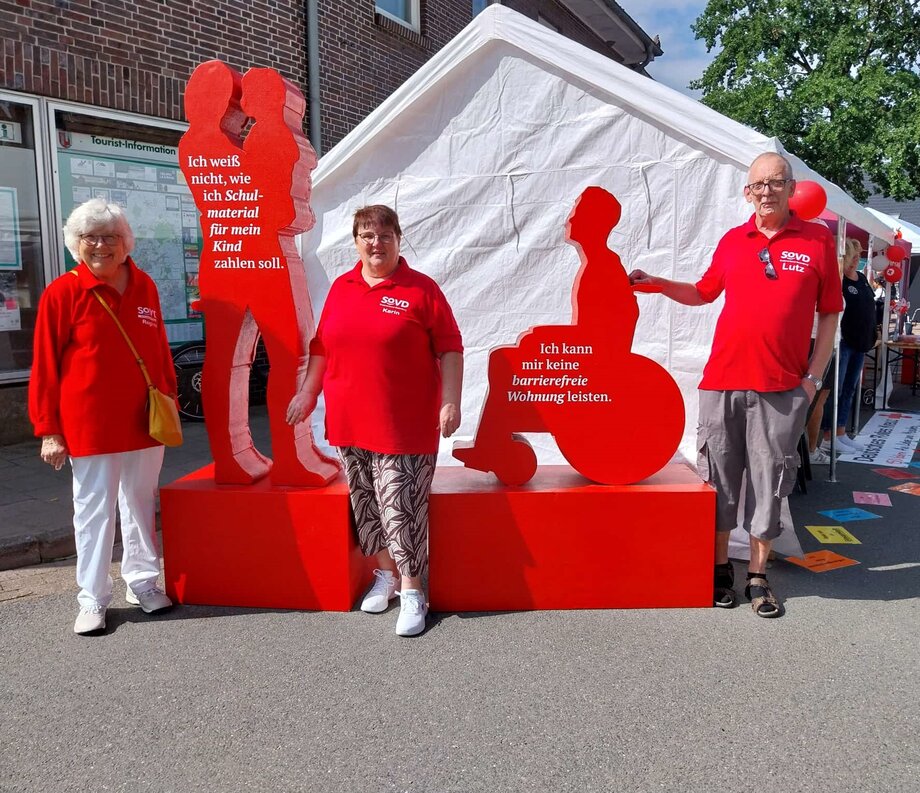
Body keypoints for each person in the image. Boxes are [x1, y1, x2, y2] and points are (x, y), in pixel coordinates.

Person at [629, 153, 842, 618]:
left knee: (770, 485)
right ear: (747, 192)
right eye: (758, 184)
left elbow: (829, 313)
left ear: (791, 189)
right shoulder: (733, 240)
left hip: (783, 388)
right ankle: (720, 566)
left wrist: (812, 378)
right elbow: (704, 292)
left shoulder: (818, 240)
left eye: (776, 182)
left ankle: (759, 577)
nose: (767, 191)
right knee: (720, 480)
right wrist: (658, 284)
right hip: (722, 382)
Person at [286, 205, 463, 636]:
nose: (376, 243)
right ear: (356, 241)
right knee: (366, 507)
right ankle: (384, 574)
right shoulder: (343, 288)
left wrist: (451, 401)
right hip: (349, 422)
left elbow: (451, 348)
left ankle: (413, 590)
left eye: (385, 235)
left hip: (405, 425)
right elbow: (322, 348)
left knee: (400, 508)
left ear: (399, 239)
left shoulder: (421, 290)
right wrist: (308, 392)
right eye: (367, 235)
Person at [29, 199, 177, 635]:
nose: (101, 245)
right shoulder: (62, 292)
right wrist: (49, 430)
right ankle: (92, 597)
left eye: (110, 237)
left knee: (140, 504)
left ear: (124, 243)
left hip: (143, 420)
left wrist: (167, 395)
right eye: (91, 237)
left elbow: (159, 346)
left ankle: (143, 582)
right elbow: (45, 365)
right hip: (88, 424)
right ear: (77, 244)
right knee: (93, 512)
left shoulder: (145, 285)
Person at [819, 238, 877, 454]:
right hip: (843, 342)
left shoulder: (861, 278)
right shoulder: (838, 280)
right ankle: (828, 435)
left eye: (858, 257)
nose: (855, 261)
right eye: (852, 257)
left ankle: (840, 432)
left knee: (849, 390)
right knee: (837, 389)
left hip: (860, 343)